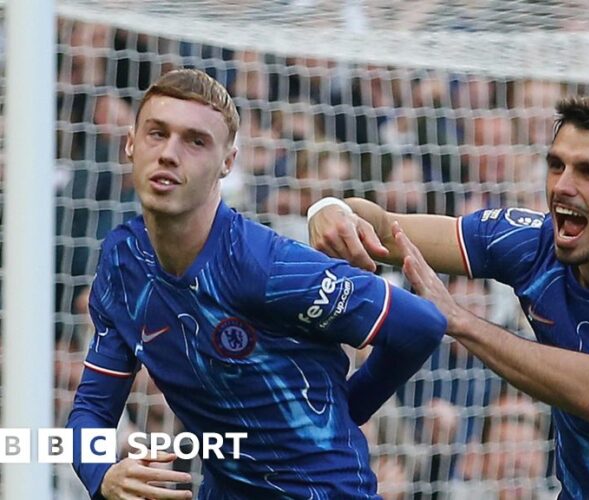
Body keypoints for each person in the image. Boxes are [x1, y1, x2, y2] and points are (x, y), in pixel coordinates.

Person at [308, 91, 589, 498]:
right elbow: (386, 227)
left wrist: (460, 320)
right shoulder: (532, 243)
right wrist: (330, 210)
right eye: (557, 164)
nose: (562, 185)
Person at [67, 68, 447, 500]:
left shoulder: (265, 265)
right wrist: (102, 475)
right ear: (130, 143)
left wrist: (350, 406)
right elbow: (93, 410)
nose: (169, 153)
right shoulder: (123, 266)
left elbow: (420, 325)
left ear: (227, 163)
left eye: (195, 141)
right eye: (157, 133)